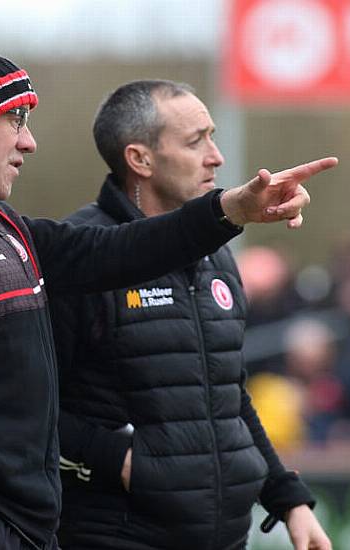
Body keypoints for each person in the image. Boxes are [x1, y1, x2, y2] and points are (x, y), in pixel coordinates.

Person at [0, 16, 336, 550]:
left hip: (27, 529)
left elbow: (112, 252)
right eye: (16, 119)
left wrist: (230, 210)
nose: (30, 142)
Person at [49, 80, 332, 550]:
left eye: (213, 136)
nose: (216, 156)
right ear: (139, 159)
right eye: (194, 140)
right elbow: (29, 408)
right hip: (115, 535)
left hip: (223, 536)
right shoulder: (79, 258)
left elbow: (227, 395)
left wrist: (286, 498)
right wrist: (119, 460)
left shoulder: (218, 256)